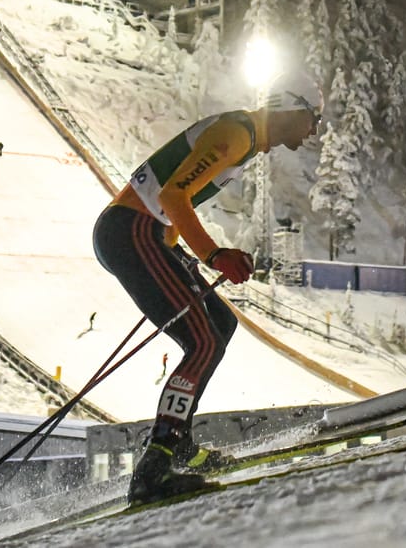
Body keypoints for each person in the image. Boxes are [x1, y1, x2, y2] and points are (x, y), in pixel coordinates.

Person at [92, 70, 322, 502]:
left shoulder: (244, 136)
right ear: (292, 108)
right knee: (201, 340)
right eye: (314, 118)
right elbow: (173, 197)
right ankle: (155, 465)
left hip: (142, 231)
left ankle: (177, 443)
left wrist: (179, 249)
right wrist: (213, 255)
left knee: (218, 324)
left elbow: (169, 194)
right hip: (132, 230)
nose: (313, 130)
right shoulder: (236, 134)